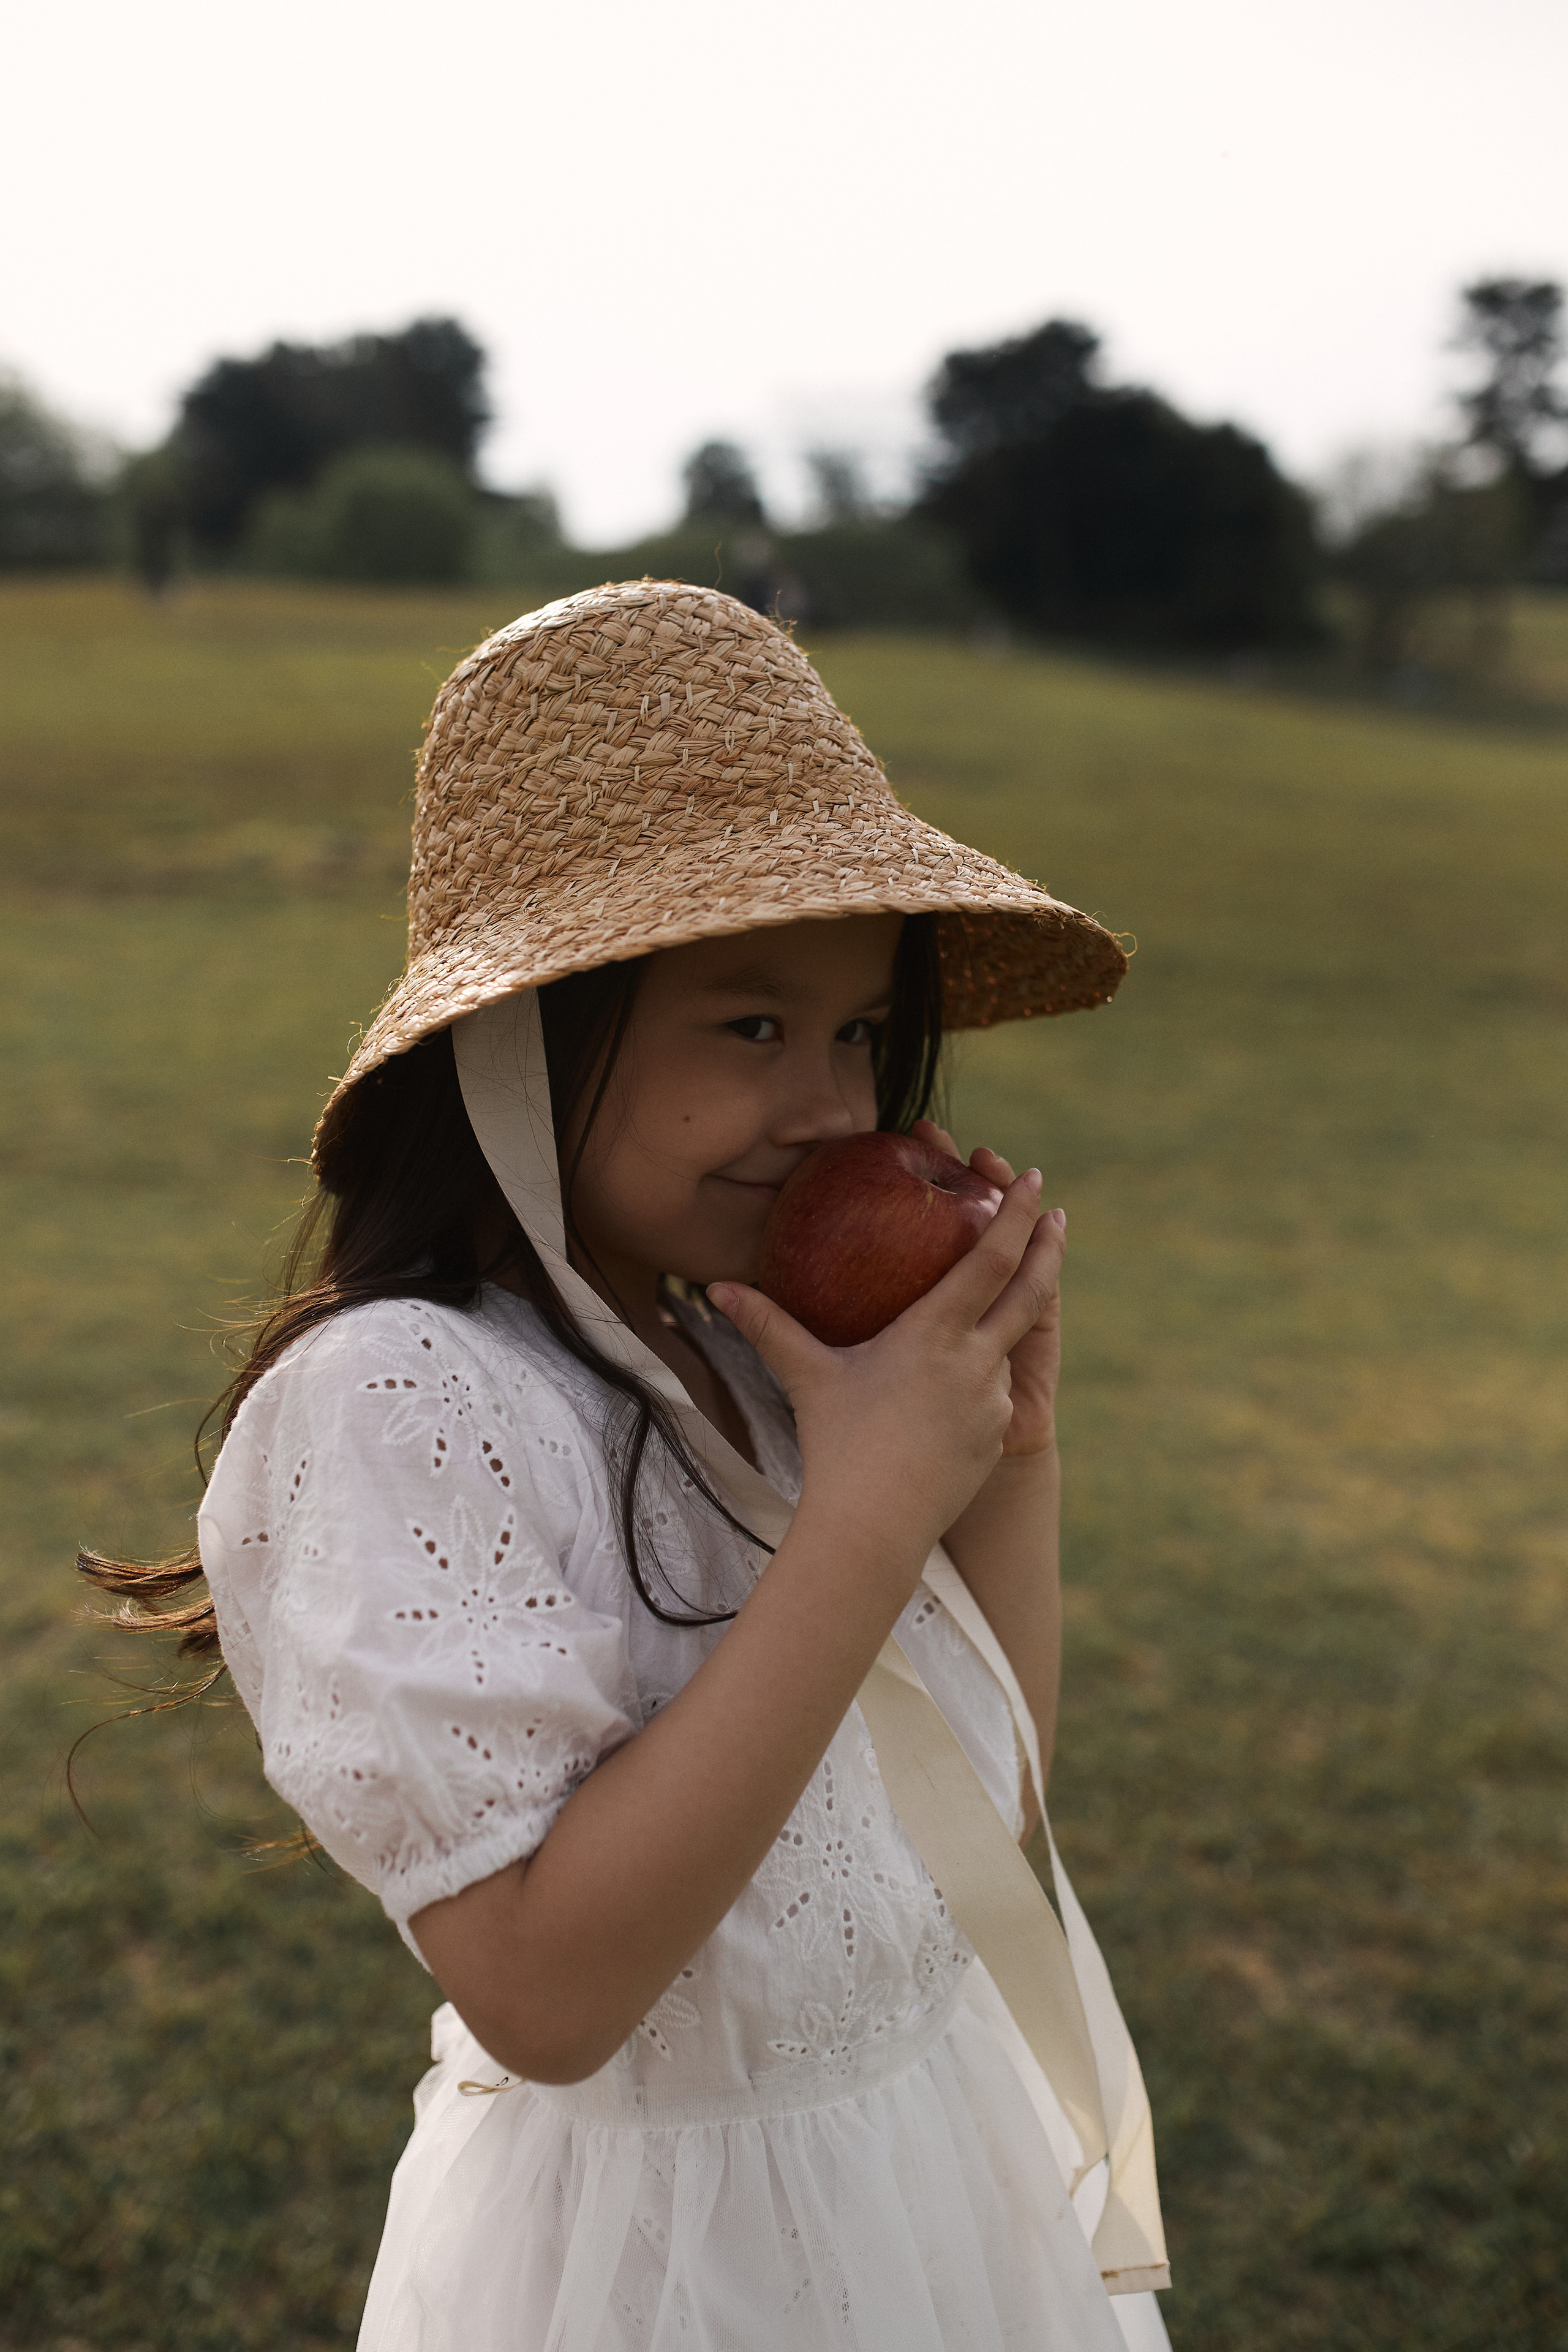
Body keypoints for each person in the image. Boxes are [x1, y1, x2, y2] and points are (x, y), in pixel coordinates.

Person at [86, 582, 1171, 2350]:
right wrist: (874, 1511)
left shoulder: (749, 1353)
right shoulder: (409, 1398)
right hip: (670, 2263)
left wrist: (1004, 1457)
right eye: (750, 1027)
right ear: (525, 1038)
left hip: (935, 2171)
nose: (832, 1106)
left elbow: (987, 1816)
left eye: (853, 1034)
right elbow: (549, 1994)